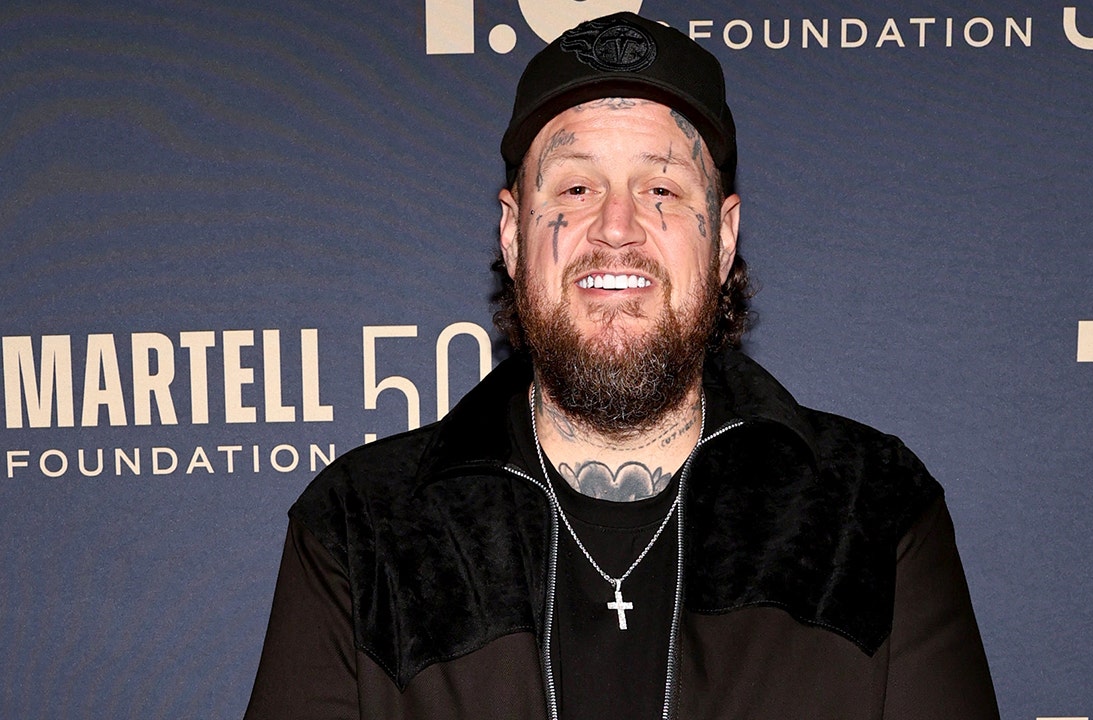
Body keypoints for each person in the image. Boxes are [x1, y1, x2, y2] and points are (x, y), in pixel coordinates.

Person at [245, 12, 998, 720]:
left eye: (661, 189)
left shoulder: (872, 511)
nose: (616, 227)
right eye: (576, 188)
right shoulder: (362, 527)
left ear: (723, 239)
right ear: (513, 234)